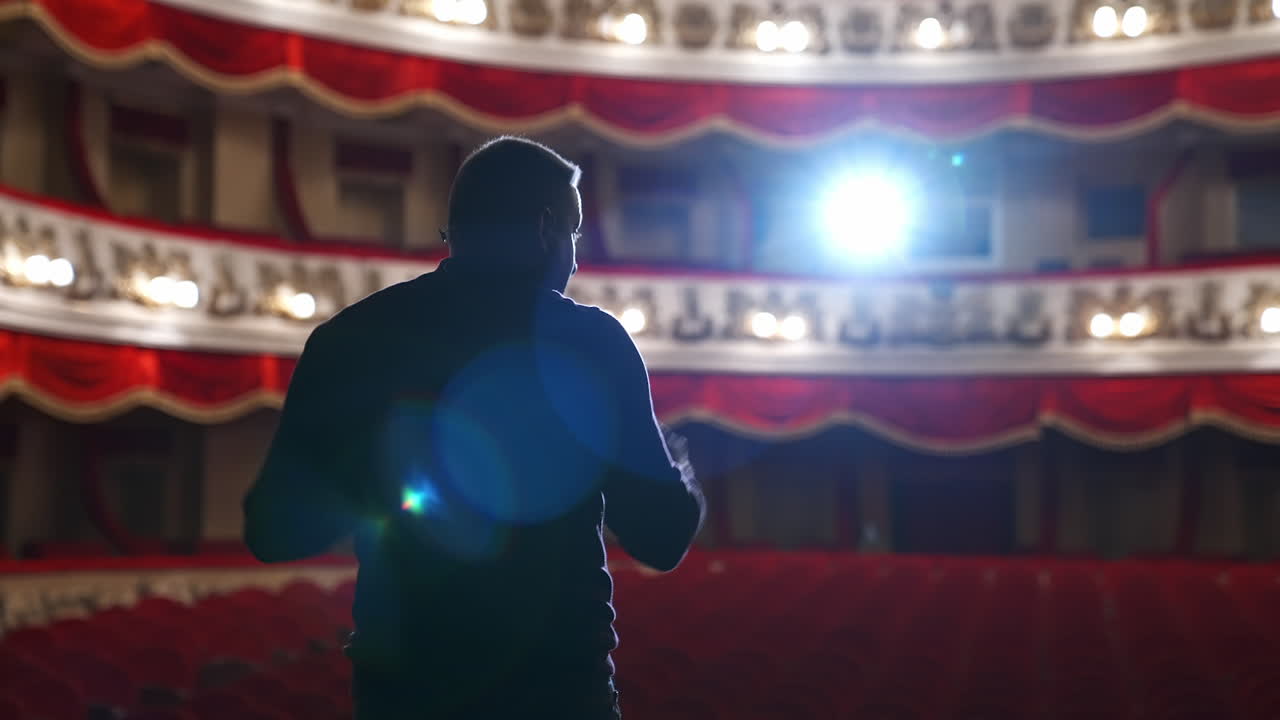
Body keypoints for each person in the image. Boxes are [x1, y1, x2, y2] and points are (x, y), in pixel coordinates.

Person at [243, 136, 706, 719]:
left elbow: (275, 534)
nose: (574, 260)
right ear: (545, 228)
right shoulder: (588, 342)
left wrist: (380, 484)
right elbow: (661, 538)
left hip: (404, 694)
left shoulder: (350, 338)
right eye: (574, 234)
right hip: (557, 692)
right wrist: (673, 453)